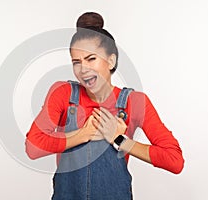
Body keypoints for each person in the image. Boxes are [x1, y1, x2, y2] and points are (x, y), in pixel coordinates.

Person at [25, 12, 184, 200]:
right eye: (77, 62)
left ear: (111, 60)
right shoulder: (63, 93)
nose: (83, 69)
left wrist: (119, 140)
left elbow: (174, 161)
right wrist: (82, 134)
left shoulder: (135, 102)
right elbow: (32, 148)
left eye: (91, 59)